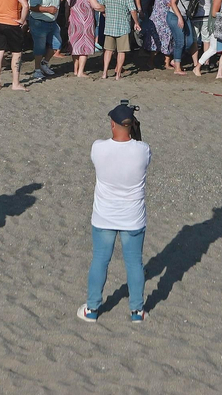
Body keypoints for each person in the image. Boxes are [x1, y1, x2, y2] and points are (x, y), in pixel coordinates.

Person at [79, 102, 150, 324]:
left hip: (104, 215)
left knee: (100, 260)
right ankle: (137, 311)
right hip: (133, 217)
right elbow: (138, 146)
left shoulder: (98, 148)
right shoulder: (143, 150)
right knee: (134, 263)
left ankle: (92, 308)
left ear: (112, 124)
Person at [100, 0, 138, 80]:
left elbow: (101, 6)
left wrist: (106, 15)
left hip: (110, 25)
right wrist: (136, 22)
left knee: (108, 50)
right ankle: (118, 74)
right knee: (121, 51)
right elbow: (133, 10)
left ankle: (104, 72)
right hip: (123, 26)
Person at [27, 0, 62, 80]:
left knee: (57, 44)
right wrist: (47, 9)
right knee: (39, 47)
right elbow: (32, 7)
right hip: (39, 21)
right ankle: (37, 69)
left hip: (52, 21)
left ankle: (44, 63)